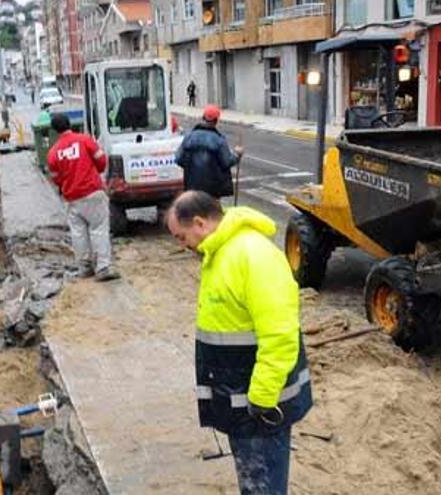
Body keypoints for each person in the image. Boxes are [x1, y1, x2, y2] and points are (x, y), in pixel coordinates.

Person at [165, 191, 312, 495]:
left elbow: (280, 335)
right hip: (239, 400)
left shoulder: (253, 256)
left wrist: (260, 399)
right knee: (253, 480)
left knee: (263, 484)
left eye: (181, 237)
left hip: (259, 407)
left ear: (200, 223)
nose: (183, 245)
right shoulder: (220, 253)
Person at [47, 113, 121, 282]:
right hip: (92, 192)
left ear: (54, 130)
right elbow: (101, 161)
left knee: (78, 232)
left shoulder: (53, 153)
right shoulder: (84, 140)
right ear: (69, 124)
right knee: (99, 228)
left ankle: (84, 267)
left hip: (72, 198)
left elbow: (56, 178)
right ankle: (103, 267)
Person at [175, 105, 244, 199]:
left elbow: (178, 159)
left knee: (196, 212)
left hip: (192, 188)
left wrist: (191, 167)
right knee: (211, 212)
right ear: (216, 120)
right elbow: (227, 162)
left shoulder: (189, 137)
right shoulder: (219, 140)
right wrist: (237, 154)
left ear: (203, 118)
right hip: (212, 190)